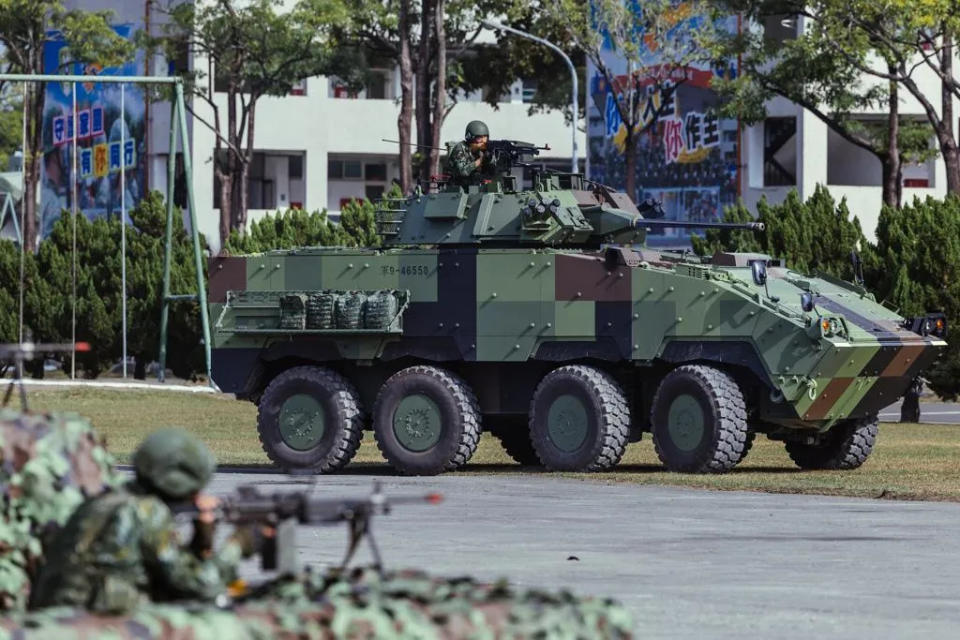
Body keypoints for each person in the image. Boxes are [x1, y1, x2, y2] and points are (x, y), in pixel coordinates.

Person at [30, 428, 261, 613]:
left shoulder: (107, 500)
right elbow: (203, 586)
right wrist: (238, 544)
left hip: (58, 621)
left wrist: (202, 539)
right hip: (94, 627)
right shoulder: (146, 512)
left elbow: (169, 574)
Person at [444, 120, 493, 186]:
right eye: (479, 138)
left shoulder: (481, 151)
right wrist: (480, 160)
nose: (483, 141)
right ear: (470, 137)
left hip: (474, 187)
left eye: (485, 137)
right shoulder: (460, 148)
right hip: (457, 187)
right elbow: (462, 172)